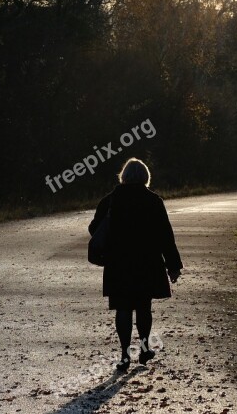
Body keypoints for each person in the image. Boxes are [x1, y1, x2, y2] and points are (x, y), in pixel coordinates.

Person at [88, 158, 183, 372]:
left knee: (122, 307)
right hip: (146, 262)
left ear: (124, 176)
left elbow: (94, 228)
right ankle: (144, 348)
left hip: (118, 263)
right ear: (145, 177)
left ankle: (123, 354)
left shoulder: (110, 200)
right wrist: (173, 265)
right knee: (143, 306)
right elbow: (165, 236)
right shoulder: (153, 201)